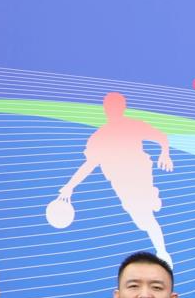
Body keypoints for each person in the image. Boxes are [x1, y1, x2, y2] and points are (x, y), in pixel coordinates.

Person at [54, 91, 175, 263]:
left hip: (139, 175)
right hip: (121, 183)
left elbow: (160, 136)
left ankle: (162, 252)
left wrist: (165, 153)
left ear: (122, 108)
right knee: (142, 222)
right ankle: (150, 198)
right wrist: (70, 186)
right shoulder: (99, 137)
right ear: (106, 109)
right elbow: (89, 165)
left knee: (146, 217)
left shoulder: (133, 125)